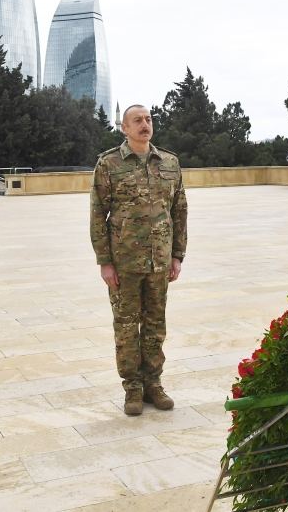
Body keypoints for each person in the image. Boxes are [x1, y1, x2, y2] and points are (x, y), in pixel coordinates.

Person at [90, 104, 188, 416]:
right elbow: (97, 213)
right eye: (137, 120)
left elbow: (179, 211)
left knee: (155, 325)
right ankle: (132, 387)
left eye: (148, 119)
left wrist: (177, 255)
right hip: (124, 263)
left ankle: (154, 384)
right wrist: (104, 261)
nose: (145, 124)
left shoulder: (170, 162)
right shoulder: (109, 163)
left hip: (159, 261)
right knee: (127, 326)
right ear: (124, 128)